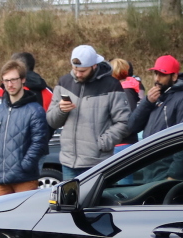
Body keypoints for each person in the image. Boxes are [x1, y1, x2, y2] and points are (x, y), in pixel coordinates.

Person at [48, 45, 131, 179]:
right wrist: (60, 110)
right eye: (75, 69)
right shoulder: (64, 82)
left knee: (98, 201)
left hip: (97, 163)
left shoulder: (111, 85)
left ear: (94, 66)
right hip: (68, 162)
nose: (78, 74)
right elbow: (51, 121)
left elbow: (124, 122)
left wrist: (103, 143)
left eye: (83, 71)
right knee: (70, 201)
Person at [0, 59, 51, 196]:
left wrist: (26, 164)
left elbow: (39, 142)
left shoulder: (35, 110)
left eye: (14, 79)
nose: (10, 84)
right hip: (0, 179)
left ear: (23, 80)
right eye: (6, 81)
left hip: (24, 179)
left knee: (24, 217)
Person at [128, 55, 183, 135]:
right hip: (151, 147)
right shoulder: (154, 99)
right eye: (156, 74)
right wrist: (147, 102)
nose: (157, 79)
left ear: (174, 77)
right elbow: (131, 127)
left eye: (162, 75)